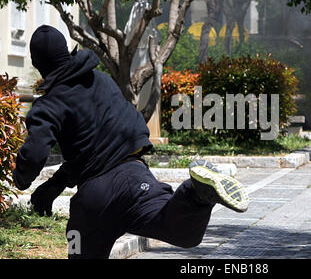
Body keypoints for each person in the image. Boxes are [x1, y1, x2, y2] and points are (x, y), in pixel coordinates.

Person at [12, 25, 249, 259]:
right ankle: (195, 194)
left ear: (37, 63)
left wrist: (21, 179)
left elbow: (35, 155)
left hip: (94, 199)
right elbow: (93, 149)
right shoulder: (101, 81)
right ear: (66, 51)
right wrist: (55, 185)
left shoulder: (48, 105)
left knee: (79, 249)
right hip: (136, 176)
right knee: (179, 230)